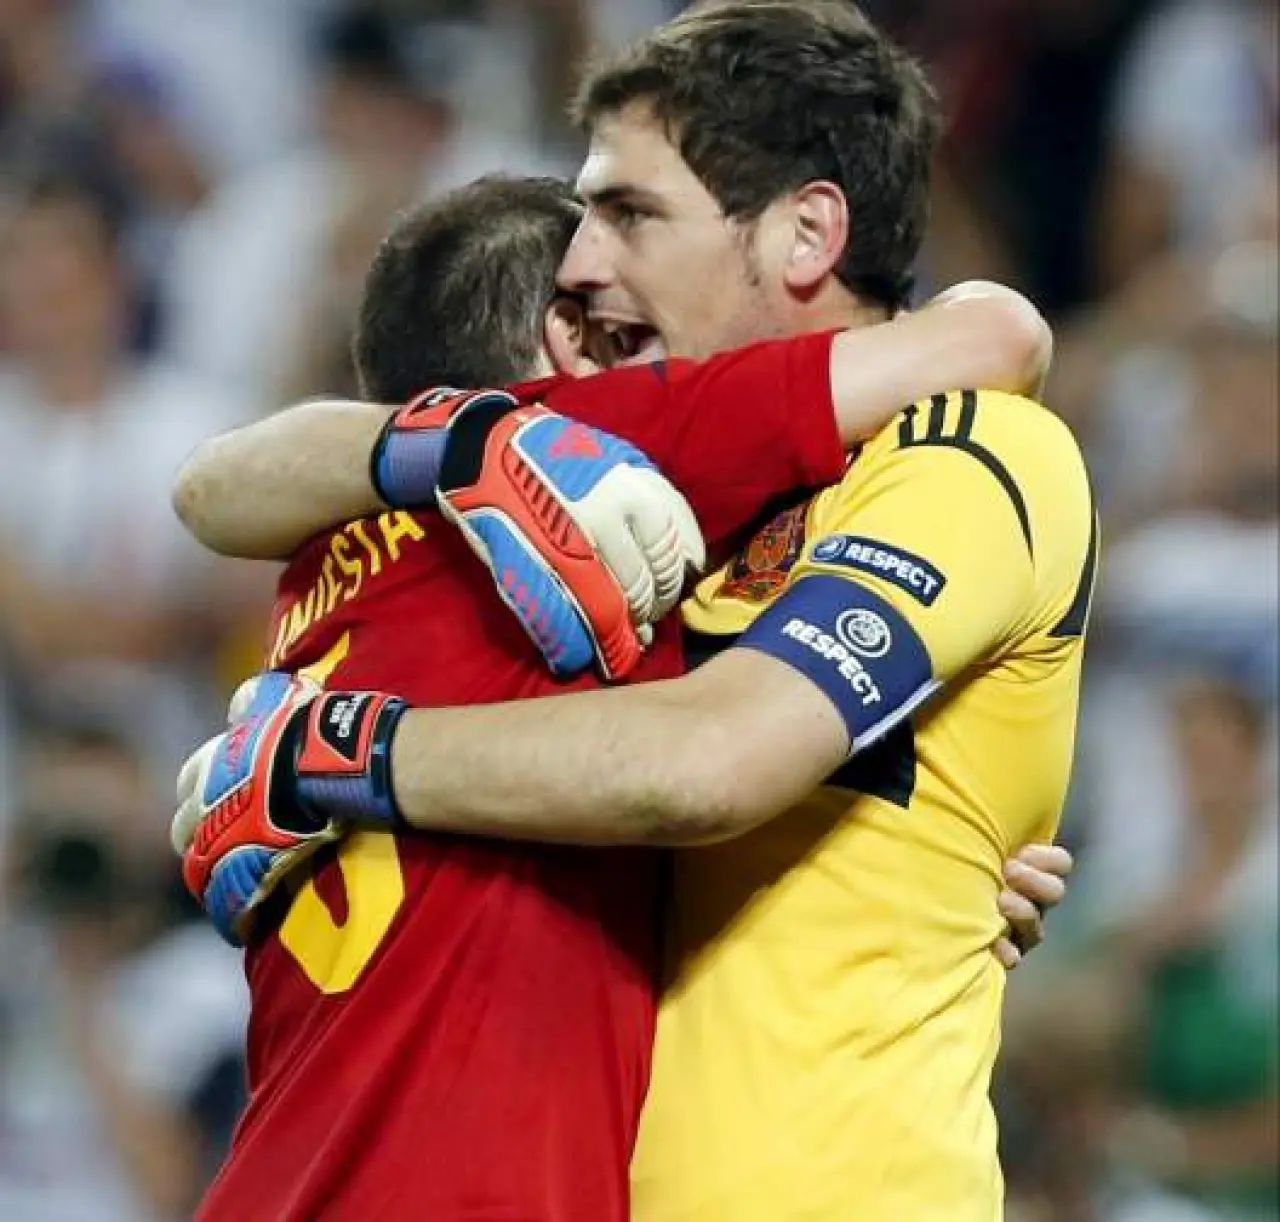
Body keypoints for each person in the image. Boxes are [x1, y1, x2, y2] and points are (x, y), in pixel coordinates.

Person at [177, 4, 1085, 1219]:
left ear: (807, 232)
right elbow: (215, 485)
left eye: (630, 214)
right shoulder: (631, 504)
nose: (584, 263)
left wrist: (332, 754)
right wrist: (449, 441)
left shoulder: (965, 451)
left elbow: (704, 761)